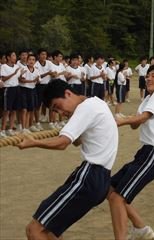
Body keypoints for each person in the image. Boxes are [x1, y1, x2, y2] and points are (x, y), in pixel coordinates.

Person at [16, 79, 118, 240]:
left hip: (88, 177)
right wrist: (71, 123)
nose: (60, 112)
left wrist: (33, 142)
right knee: (49, 230)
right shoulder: (96, 103)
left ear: (68, 93)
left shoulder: (85, 108)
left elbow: (63, 143)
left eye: (57, 106)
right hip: (100, 180)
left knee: (34, 230)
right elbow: (77, 141)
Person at [109, 64, 154, 240]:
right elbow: (136, 124)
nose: (149, 78)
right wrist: (122, 119)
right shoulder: (148, 99)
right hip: (145, 153)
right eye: (148, 76)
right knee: (110, 190)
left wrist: (122, 121)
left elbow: (143, 117)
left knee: (117, 198)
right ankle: (141, 228)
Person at [0, 50, 22, 138]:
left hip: (16, 88)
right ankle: (2, 130)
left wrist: (21, 74)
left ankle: (10, 129)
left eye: (15, 56)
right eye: (13, 55)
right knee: (6, 110)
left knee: (14, 110)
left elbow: (19, 77)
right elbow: (4, 79)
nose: (15, 57)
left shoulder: (17, 66)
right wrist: (14, 73)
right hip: (8, 89)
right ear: (8, 57)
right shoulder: (4, 66)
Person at [19, 53, 40, 133]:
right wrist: (32, 81)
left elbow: (38, 81)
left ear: (35, 61)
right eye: (30, 59)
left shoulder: (37, 70)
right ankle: (23, 127)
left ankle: (26, 127)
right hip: (24, 89)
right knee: (24, 109)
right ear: (27, 61)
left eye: (33, 60)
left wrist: (37, 80)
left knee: (30, 109)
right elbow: (21, 80)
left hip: (32, 90)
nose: (31, 61)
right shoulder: (24, 69)